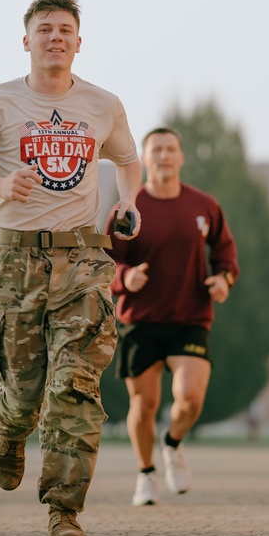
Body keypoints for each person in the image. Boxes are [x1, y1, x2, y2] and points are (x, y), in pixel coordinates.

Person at [0, 0, 141, 536]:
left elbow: (127, 159)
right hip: (14, 262)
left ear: (79, 43)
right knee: (24, 391)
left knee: (74, 389)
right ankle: (8, 430)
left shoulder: (103, 105)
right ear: (27, 41)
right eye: (45, 29)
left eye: (66, 30)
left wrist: (127, 200)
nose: (56, 38)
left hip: (81, 263)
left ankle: (64, 512)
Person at [110, 127, 238, 506]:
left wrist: (223, 279)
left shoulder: (204, 206)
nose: (164, 156)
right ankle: (146, 474)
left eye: (170, 150)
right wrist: (124, 278)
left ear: (181, 157)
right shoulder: (129, 208)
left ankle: (173, 443)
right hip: (140, 320)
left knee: (190, 398)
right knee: (145, 406)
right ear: (145, 159)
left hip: (190, 317)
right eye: (156, 151)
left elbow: (225, 252)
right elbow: (106, 259)